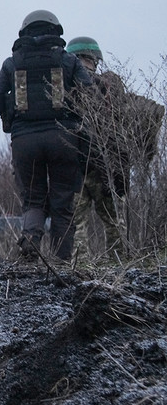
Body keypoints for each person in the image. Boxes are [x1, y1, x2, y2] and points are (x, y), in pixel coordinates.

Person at [0, 11, 93, 261]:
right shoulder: (69, 61)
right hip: (64, 140)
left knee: (34, 201)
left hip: (25, 142)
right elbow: (93, 102)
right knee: (62, 205)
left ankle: (29, 249)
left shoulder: (11, 64)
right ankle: (60, 264)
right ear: (55, 31)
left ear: (24, 32)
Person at [66, 36, 128, 258]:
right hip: (104, 166)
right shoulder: (108, 87)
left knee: (76, 225)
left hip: (74, 165)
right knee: (114, 223)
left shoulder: (64, 88)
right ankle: (119, 267)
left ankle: (79, 271)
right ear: (94, 60)